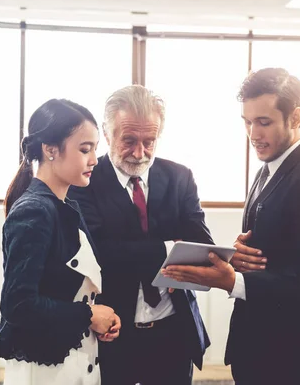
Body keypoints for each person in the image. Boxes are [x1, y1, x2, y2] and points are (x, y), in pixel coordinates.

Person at [162, 68, 300, 385]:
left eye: (264, 122)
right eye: (247, 122)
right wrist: (238, 256)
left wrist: (233, 282)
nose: (253, 134)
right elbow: (277, 247)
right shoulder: (270, 167)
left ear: (296, 117)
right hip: (255, 346)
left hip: (290, 355)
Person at [68, 85, 212, 385]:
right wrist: (171, 249)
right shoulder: (84, 182)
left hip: (173, 329)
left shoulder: (179, 177)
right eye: (129, 140)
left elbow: (202, 245)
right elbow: (102, 254)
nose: (140, 152)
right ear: (107, 135)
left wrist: (185, 264)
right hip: (112, 331)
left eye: (150, 141)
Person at [0, 99, 121, 385]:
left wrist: (99, 318)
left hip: (77, 364)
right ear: (50, 150)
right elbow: (18, 305)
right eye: (85, 149)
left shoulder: (66, 204)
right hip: (47, 371)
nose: (94, 160)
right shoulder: (34, 210)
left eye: (95, 149)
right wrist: (88, 315)